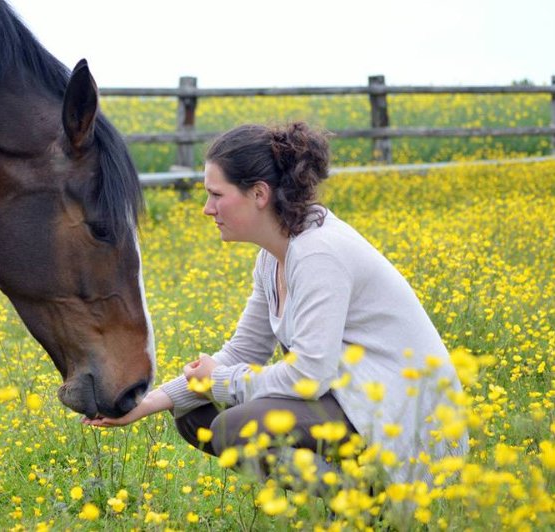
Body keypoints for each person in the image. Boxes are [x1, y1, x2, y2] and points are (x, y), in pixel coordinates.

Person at [85, 122, 468, 485]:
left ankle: (368, 503)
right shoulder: (274, 257)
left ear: (259, 194)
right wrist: (151, 402)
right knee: (193, 415)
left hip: (405, 424)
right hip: (352, 403)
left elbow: (308, 376)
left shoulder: (319, 254)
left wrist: (218, 381)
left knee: (234, 426)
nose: (207, 208)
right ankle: (345, 495)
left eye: (216, 194)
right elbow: (244, 350)